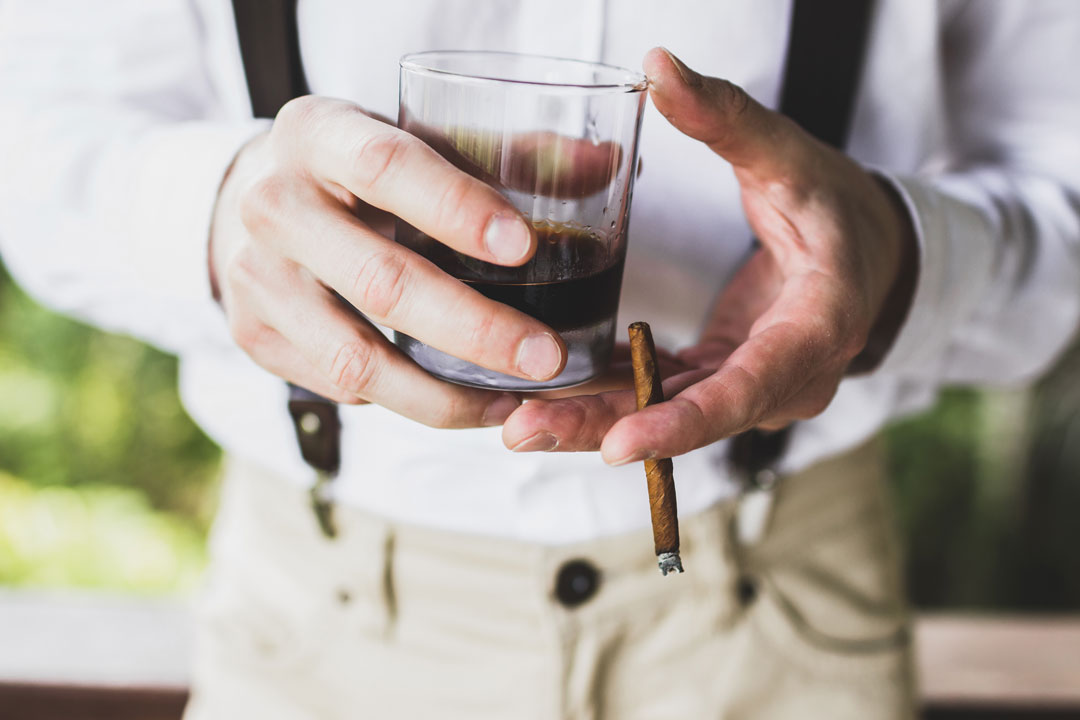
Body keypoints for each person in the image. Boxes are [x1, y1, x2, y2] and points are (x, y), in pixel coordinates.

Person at [1, 1, 1078, 718]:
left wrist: (900, 258)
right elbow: (40, 142)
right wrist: (219, 212)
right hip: (314, 619)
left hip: (784, 617)